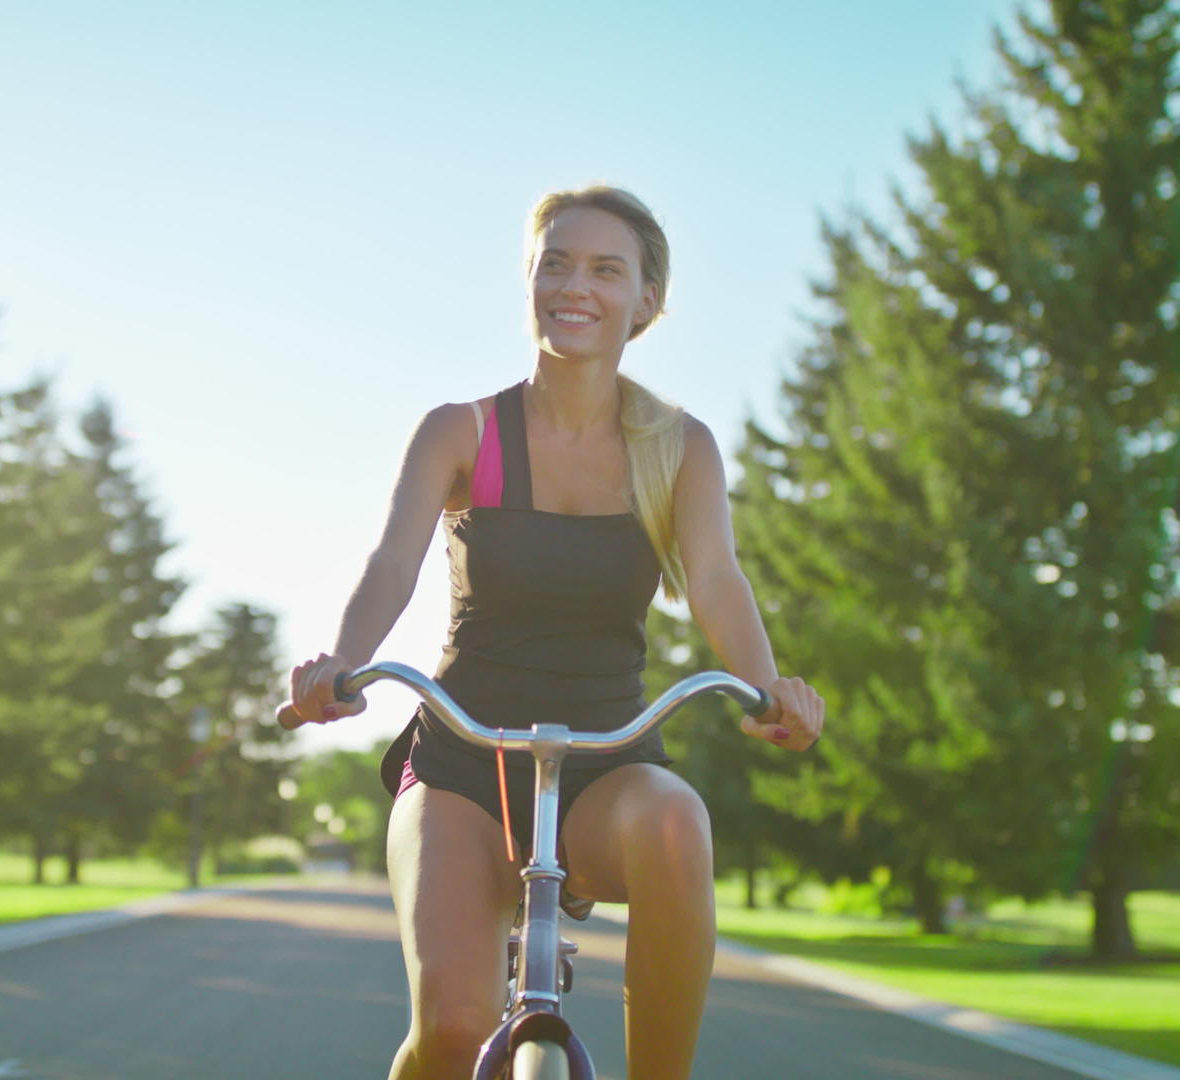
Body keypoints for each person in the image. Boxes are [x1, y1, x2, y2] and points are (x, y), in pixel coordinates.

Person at [284, 185, 824, 1080]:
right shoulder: (462, 431)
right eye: (556, 262)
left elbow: (719, 579)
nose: (577, 285)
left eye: (607, 269)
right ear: (529, 278)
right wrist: (342, 665)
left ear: (646, 300)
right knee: (454, 1027)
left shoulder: (678, 447)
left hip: (606, 763)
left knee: (677, 823)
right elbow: (393, 561)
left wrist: (768, 691)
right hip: (463, 761)